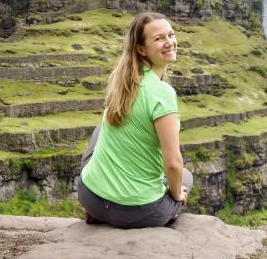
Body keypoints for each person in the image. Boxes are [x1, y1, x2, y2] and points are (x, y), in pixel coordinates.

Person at [78, 12, 193, 228]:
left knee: (100, 131)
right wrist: (177, 193)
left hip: (91, 199)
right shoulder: (162, 93)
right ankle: (166, 208)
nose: (169, 43)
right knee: (185, 177)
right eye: (159, 39)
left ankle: (97, 209)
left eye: (171, 35)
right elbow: (173, 164)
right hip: (138, 213)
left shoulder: (121, 84)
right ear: (141, 49)